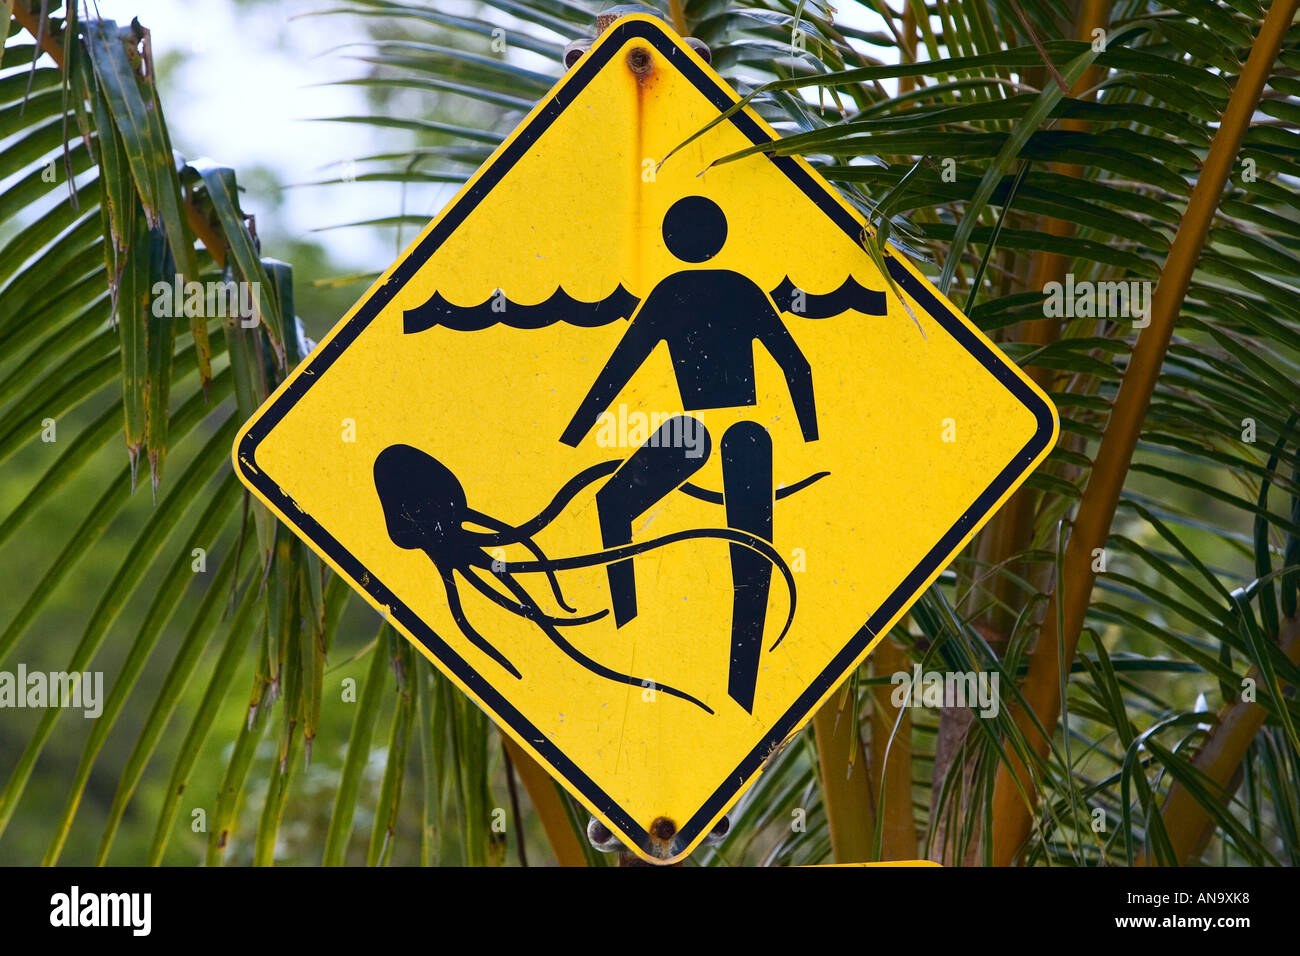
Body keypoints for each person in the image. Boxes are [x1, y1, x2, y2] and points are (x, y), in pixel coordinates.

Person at [560, 196, 819, 712]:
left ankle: (631, 631)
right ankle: (736, 690)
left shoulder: (670, 292)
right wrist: (809, 438)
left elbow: (618, 370)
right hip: (746, 433)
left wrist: (574, 433)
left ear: (674, 241)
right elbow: (798, 366)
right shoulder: (741, 289)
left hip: (694, 432)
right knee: (751, 570)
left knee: (613, 507)